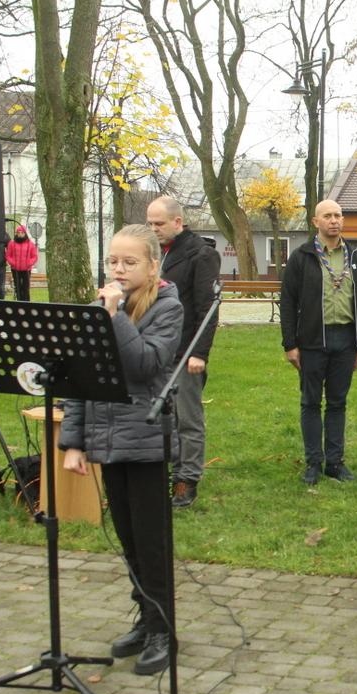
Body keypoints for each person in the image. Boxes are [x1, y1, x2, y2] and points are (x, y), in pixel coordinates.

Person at [60, 224, 183, 675]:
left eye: (129, 262)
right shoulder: (102, 309)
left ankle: (163, 630)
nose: (119, 269)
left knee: (151, 541)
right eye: (113, 261)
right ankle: (145, 617)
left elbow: (146, 363)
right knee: (128, 538)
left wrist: (114, 318)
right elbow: (79, 377)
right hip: (107, 439)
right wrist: (73, 442)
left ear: (153, 266)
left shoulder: (168, 308)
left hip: (146, 440)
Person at [280, 199, 357, 484]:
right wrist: (290, 344)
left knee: (337, 402)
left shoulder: (355, 257)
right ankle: (313, 463)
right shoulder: (302, 257)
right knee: (310, 402)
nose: (334, 220)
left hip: (345, 339)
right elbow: (287, 302)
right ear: (315, 221)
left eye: (338, 215)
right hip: (312, 340)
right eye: (328, 216)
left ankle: (335, 462)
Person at [147, 196, 221, 508]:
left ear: (177, 222)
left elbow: (208, 309)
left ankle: (186, 479)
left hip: (185, 351)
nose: (154, 229)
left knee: (187, 419)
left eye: (159, 223)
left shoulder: (201, 254)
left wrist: (199, 353)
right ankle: (165, 470)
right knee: (163, 419)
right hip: (154, 350)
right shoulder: (153, 253)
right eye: (150, 224)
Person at [6, 224, 38, 301]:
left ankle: (26, 303)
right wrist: (12, 263)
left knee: (26, 287)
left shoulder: (30, 244)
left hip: (26, 269)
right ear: (16, 233)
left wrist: (29, 263)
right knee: (18, 287)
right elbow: (8, 255)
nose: (20, 234)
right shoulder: (11, 243)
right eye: (18, 232)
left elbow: (34, 256)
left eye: (22, 233)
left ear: (25, 233)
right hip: (15, 269)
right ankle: (19, 301)